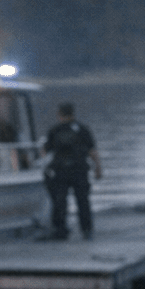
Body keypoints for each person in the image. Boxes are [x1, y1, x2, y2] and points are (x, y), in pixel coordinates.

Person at [42, 102, 103, 240]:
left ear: (59, 114)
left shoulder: (55, 130)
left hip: (60, 171)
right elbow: (92, 151)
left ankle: (60, 229)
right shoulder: (82, 129)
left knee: (59, 202)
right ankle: (86, 229)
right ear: (73, 114)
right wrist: (98, 168)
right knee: (83, 200)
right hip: (79, 170)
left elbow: (45, 151)